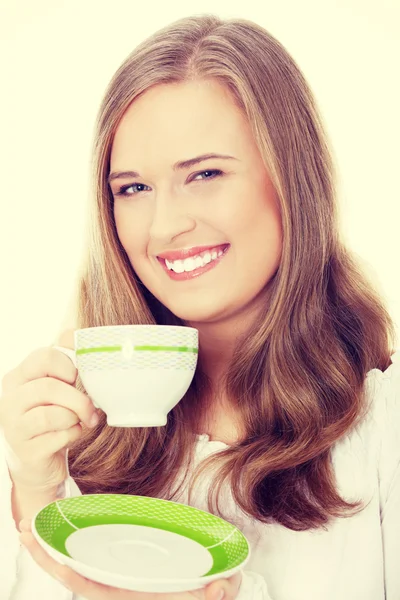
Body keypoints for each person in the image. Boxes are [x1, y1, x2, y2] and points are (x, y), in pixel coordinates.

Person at [0, 12, 399, 600]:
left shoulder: (382, 425)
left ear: (291, 182)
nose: (164, 226)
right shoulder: (67, 427)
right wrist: (36, 487)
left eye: (205, 173)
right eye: (133, 188)